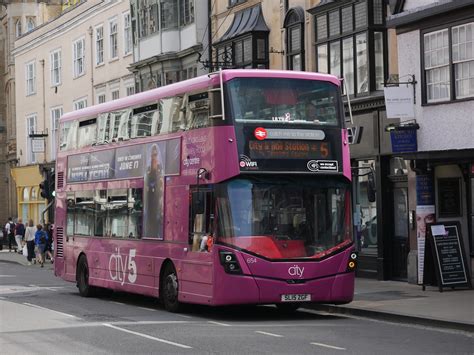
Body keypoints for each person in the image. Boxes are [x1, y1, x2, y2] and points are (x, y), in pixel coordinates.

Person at [143, 144, 164, 238]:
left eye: (155, 155)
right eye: (152, 155)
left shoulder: (160, 170)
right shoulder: (148, 170)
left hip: (157, 198)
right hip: (149, 199)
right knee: (149, 218)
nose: (154, 157)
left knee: (157, 218)